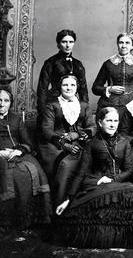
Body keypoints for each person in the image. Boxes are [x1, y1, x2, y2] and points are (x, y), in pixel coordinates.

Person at [55, 107, 133, 248]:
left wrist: (113, 179)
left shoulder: (124, 142)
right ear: (100, 123)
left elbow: (129, 169)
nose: (113, 124)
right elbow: (81, 173)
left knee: (132, 193)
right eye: (109, 121)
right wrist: (68, 199)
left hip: (117, 182)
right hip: (96, 182)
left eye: (116, 121)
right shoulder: (92, 144)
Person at [0, 86, 51, 234]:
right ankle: (7, 220)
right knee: (11, 175)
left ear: (10, 103)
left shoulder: (16, 118)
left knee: (35, 169)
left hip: (17, 152)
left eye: (6, 100)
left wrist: (18, 150)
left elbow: (28, 142)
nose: (2, 104)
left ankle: (31, 218)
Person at [38, 75, 96, 205]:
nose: (69, 88)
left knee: (91, 162)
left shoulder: (84, 105)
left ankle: (82, 206)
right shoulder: (52, 105)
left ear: (77, 87)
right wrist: (65, 145)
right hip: (55, 144)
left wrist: (77, 134)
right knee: (65, 165)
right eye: (65, 85)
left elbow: (93, 127)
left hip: (80, 141)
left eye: (72, 85)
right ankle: (60, 205)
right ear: (60, 87)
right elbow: (46, 130)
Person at [37, 29, 89, 125]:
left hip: (73, 104)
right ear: (58, 44)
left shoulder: (78, 64)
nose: (68, 45)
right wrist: (43, 111)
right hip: (55, 103)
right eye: (64, 42)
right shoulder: (50, 62)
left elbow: (83, 89)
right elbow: (42, 89)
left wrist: (84, 108)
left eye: (71, 42)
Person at [92, 32, 133, 121]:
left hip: (130, 105)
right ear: (117, 44)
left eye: (127, 43)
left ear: (132, 46)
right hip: (108, 104)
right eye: (121, 42)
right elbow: (95, 88)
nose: (123, 46)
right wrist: (109, 89)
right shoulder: (108, 64)